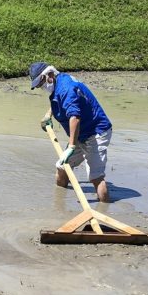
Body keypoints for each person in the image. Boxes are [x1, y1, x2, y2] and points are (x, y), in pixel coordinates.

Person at [29, 62, 112, 203]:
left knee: (96, 177)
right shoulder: (59, 82)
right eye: (37, 84)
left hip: (96, 132)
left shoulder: (67, 88)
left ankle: (105, 211)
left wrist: (72, 147)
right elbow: (58, 99)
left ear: (49, 75)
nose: (39, 87)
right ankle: (59, 207)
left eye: (40, 82)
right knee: (62, 168)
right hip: (80, 134)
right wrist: (49, 115)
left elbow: (75, 117)